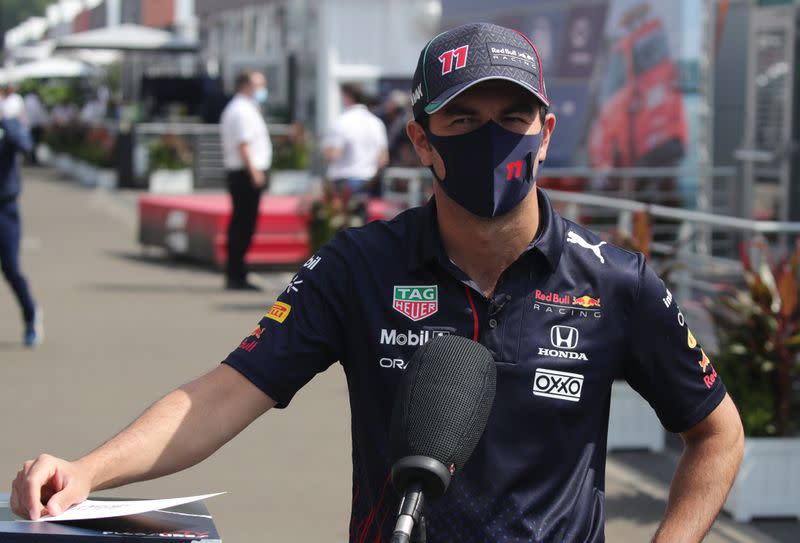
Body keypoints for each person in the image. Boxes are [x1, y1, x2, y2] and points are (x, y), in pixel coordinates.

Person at [10, 23, 743, 542]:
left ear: (546, 130)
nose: (492, 135)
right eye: (463, 119)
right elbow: (225, 391)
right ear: (420, 138)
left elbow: (717, 432)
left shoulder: (615, 281)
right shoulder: (359, 266)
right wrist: (88, 470)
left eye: (512, 116)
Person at [219, 70, 272, 291]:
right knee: (243, 224)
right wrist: (254, 172)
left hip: (245, 172)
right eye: (260, 85)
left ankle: (237, 272)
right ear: (246, 86)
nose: (263, 90)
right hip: (245, 172)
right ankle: (236, 274)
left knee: (243, 223)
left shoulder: (245, 108)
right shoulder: (241, 111)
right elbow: (244, 144)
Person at [0, 102, 42, 347]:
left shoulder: (11, 126)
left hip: (5, 209)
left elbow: (26, 145)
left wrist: (5, 120)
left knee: (11, 269)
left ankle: (31, 316)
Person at [323, 83, 389, 198]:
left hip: (343, 182)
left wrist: (324, 149)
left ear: (347, 97)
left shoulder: (342, 121)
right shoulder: (376, 123)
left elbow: (334, 155)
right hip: (369, 181)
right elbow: (383, 159)